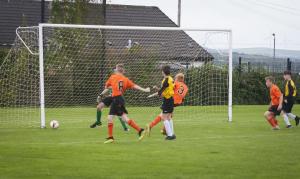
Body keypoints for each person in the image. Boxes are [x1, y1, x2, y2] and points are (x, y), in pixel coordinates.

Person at [100, 64, 150, 144]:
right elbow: (135, 86)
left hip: (116, 99)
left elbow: (107, 87)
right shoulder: (125, 79)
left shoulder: (112, 77)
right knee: (120, 118)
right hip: (119, 99)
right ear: (123, 71)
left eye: (115, 68)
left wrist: (106, 89)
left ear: (116, 70)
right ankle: (140, 130)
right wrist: (145, 90)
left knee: (114, 118)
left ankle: (111, 137)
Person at [146, 65, 176, 140]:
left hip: (167, 100)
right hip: (171, 99)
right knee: (169, 117)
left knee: (164, 117)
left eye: (162, 70)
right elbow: (165, 90)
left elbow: (161, 92)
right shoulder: (171, 79)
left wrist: (152, 95)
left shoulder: (165, 80)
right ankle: (172, 134)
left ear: (163, 72)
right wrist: (158, 90)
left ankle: (170, 135)